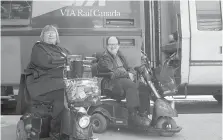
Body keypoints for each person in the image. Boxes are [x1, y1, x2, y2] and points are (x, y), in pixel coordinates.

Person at [24, 25, 70, 139]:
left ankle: (68, 128)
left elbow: (71, 58)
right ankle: (55, 132)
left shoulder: (61, 49)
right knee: (61, 94)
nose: (50, 35)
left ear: (57, 36)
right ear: (42, 36)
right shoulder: (38, 48)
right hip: (40, 83)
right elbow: (46, 62)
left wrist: (64, 61)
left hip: (56, 82)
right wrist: (63, 61)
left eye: (53, 33)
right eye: (47, 33)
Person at [97, 36, 151, 127]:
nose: (112, 46)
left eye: (114, 44)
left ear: (118, 45)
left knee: (143, 87)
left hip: (122, 80)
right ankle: (133, 114)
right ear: (107, 46)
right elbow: (112, 73)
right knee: (131, 86)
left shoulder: (119, 55)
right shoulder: (104, 58)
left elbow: (128, 68)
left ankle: (143, 113)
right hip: (111, 83)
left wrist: (132, 73)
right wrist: (127, 74)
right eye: (110, 44)